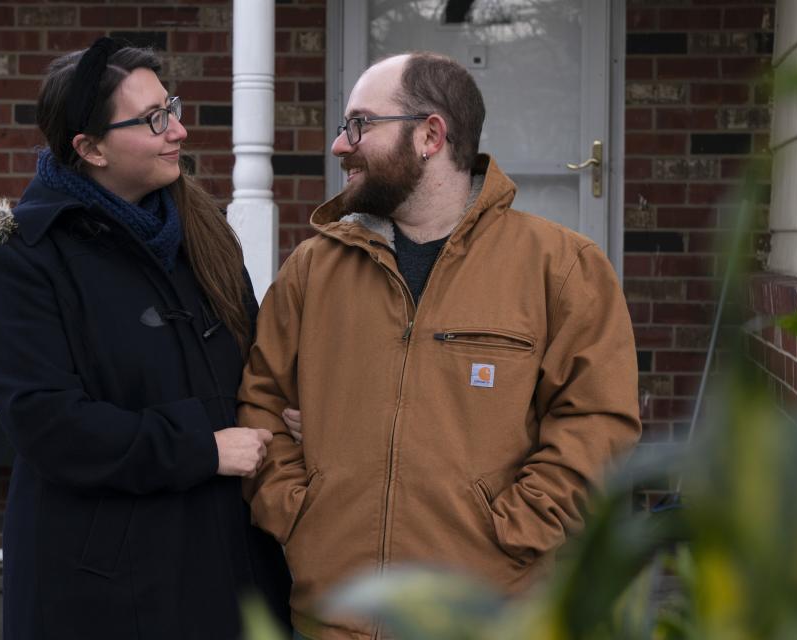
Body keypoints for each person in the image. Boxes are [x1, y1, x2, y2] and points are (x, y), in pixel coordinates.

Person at [237, 51, 642, 639]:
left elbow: (597, 429)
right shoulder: (311, 270)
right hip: (334, 618)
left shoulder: (562, 268)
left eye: (359, 125)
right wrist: (297, 512)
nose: (339, 145)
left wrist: (510, 533)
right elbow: (262, 402)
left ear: (430, 135)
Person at [0, 39, 291, 639]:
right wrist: (203, 449)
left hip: (227, 560)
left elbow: (253, 362)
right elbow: (49, 425)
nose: (177, 129)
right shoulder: (22, 258)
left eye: (171, 107)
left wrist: (285, 412)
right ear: (90, 148)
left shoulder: (202, 235)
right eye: (154, 119)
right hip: (102, 584)